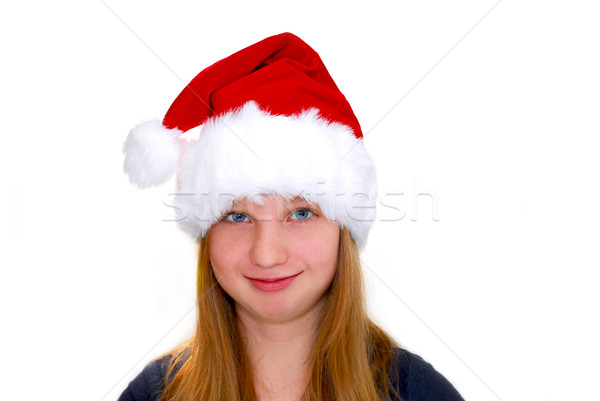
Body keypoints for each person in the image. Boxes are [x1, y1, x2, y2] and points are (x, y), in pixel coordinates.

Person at [120, 32, 464, 401]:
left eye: (301, 213)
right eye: (237, 216)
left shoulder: (418, 393)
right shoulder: (156, 394)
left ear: (342, 229)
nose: (266, 255)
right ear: (207, 234)